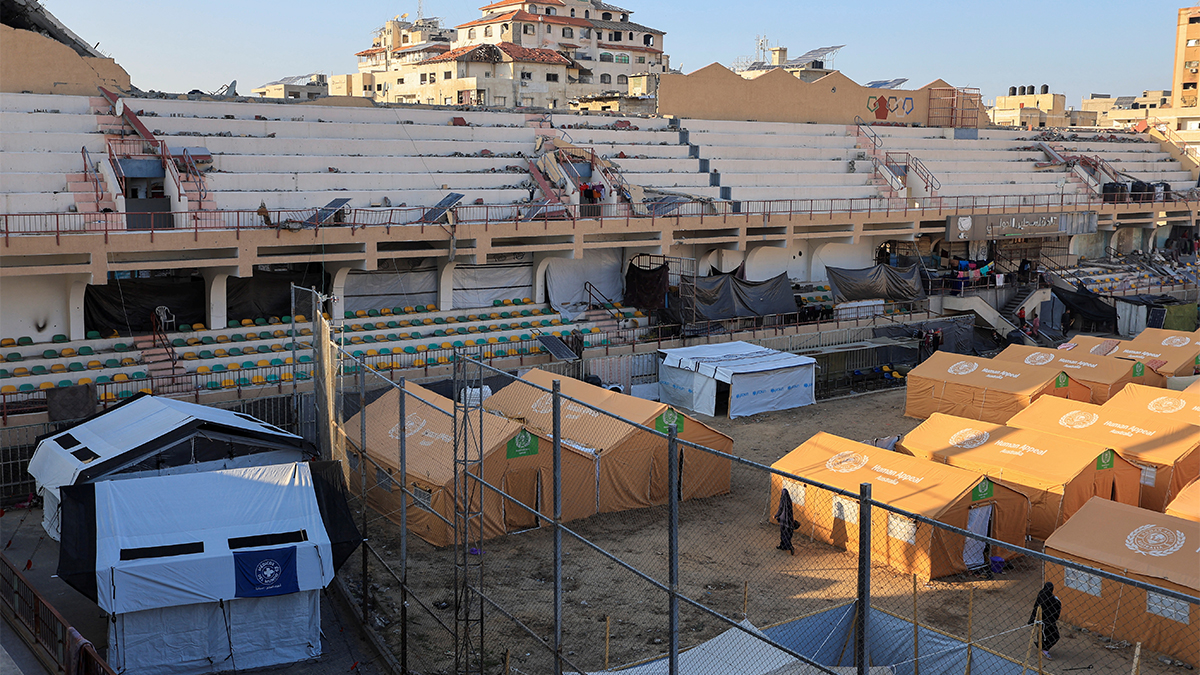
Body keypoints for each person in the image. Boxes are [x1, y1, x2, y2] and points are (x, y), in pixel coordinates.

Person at [1028, 582, 1062, 659]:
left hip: (1041, 620)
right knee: (1054, 636)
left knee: (1042, 634)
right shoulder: (1052, 600)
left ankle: (1041, 645)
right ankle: (1044, 649)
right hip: (1048, 621)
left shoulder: (1041, 594)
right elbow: (1056, 609)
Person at [775, 488, 796, 555]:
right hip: (788, 521)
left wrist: (776, 515)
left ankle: (789, 547)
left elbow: (780, 508)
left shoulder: (783, 501)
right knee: (786, 534)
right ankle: (783, 546)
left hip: (783, 520)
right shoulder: (789, 502)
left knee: (783, 534)